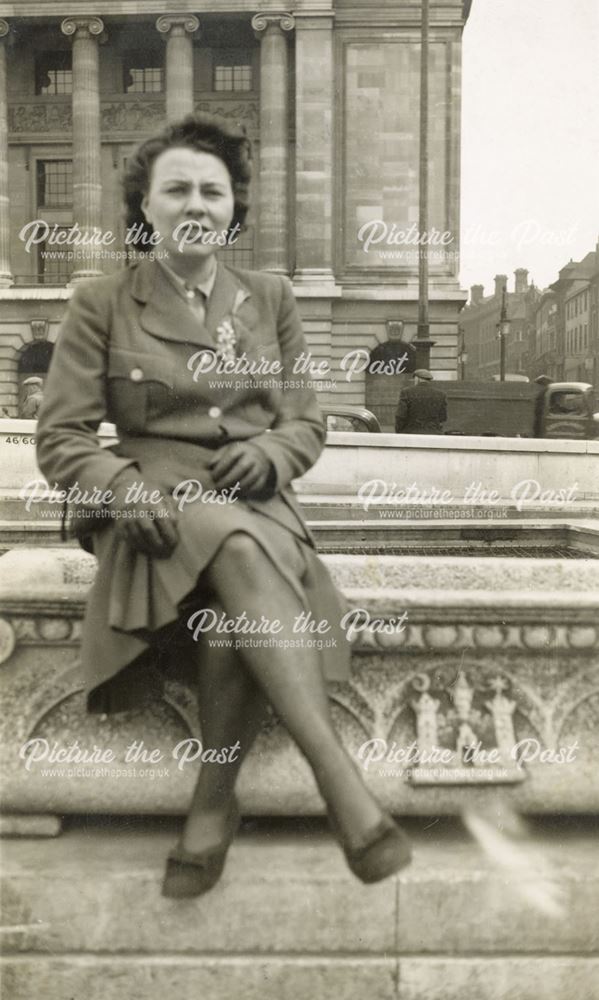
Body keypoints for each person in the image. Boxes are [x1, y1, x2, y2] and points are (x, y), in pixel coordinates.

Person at [36, 113, 411, 898]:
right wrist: (121, 487)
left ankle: (213, 803)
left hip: (254, 498)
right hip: (155, 511)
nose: (196, 205)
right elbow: (62, 438)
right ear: (146, 208)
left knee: (228, 615)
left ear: (233, 209)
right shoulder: (102, 301)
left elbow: (306, 422)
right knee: (236, 552)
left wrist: (272, 453)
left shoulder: (268, 298)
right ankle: (338, 779)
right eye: (177, 189)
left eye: (212, 191)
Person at [395, 369, 447, 434]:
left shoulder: (406, 392)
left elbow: (400, 416)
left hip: (411, 433)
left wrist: (399, 431)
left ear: (417, 379)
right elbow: (443, 417)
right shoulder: (441, 394)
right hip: (433, 433)